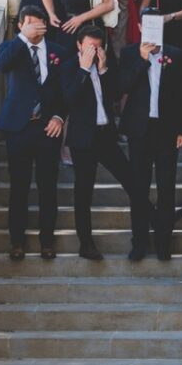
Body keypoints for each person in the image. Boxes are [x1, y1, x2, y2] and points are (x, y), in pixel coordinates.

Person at [0, 6, 66, 261]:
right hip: (19, 128)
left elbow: (64, 90)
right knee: (19, 187)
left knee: (48, 187)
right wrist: (22, 38)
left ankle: (47, 241)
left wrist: (60, 116)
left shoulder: (59, 52)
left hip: (48, 129)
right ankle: (17, 241)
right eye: (31, 23)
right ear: (22, 25)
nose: (36, 27)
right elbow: (0, 65)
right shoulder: (11, 49)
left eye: (40, 23)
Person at [60, 25, 136, 261]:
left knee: (131, 179)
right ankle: (86, 244)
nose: (94, 50)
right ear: (79, 45)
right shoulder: (69, 67)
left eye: (98, 46)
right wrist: (84, 69)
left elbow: (115, 95)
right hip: (82, 139)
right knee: (83, 193)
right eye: (90, 46)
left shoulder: (105, 66)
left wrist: (103, 70)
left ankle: (156, 218)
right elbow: (70, 100)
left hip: (105, 135)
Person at [118, 18, 182, 261]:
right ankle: (139, 242)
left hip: (167, 130)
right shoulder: (128, 54)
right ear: (139, 28)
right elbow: (121, 87)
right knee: (138, 189)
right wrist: (141, 59)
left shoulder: (176, 54)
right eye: (147, 27)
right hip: (139, 130)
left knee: (166, 188)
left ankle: (163, 243)